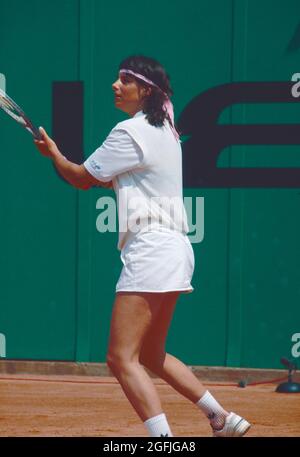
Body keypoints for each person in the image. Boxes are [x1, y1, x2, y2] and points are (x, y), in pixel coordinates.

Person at [34, 55, 251, 437]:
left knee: (120, 357)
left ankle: (163, 442)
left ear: (144, 90)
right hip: (177, 250)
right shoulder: (166, 128)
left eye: (123, 80)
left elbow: (83, 178)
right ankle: (223, 419)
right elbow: (107, 179)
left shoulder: (128, 132)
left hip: (151, 249)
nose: (115, 86)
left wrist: (53, 154)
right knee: (150, 354)